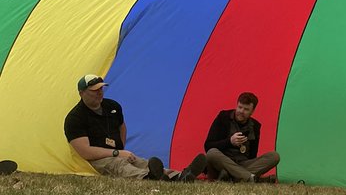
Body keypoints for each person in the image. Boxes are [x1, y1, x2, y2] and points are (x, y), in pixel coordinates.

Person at [64, 74, 205, 182]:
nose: (99, 92)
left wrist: (121, 149)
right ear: (82, 93)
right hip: (97, 160)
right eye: (94, 90)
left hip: (118, 152)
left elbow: (122, 127)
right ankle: (150, 178)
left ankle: (179, 176)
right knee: (119, 166)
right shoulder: (75, 118)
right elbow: (86, 152)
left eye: (101, 88)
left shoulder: (112, 106)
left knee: (142, 162)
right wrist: (116, 153)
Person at [204, 92, 280, 183]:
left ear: (252, 111)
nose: (241, 111)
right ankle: (250, 178)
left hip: (242, 164)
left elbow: (252, 155)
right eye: (240, 107)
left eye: (246, 109)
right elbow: (208, 146)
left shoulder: (255, 126)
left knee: (274, 156)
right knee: (212, 153)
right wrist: (230, 142)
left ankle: (235, 177)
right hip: (223, 162)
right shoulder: (223, 117)